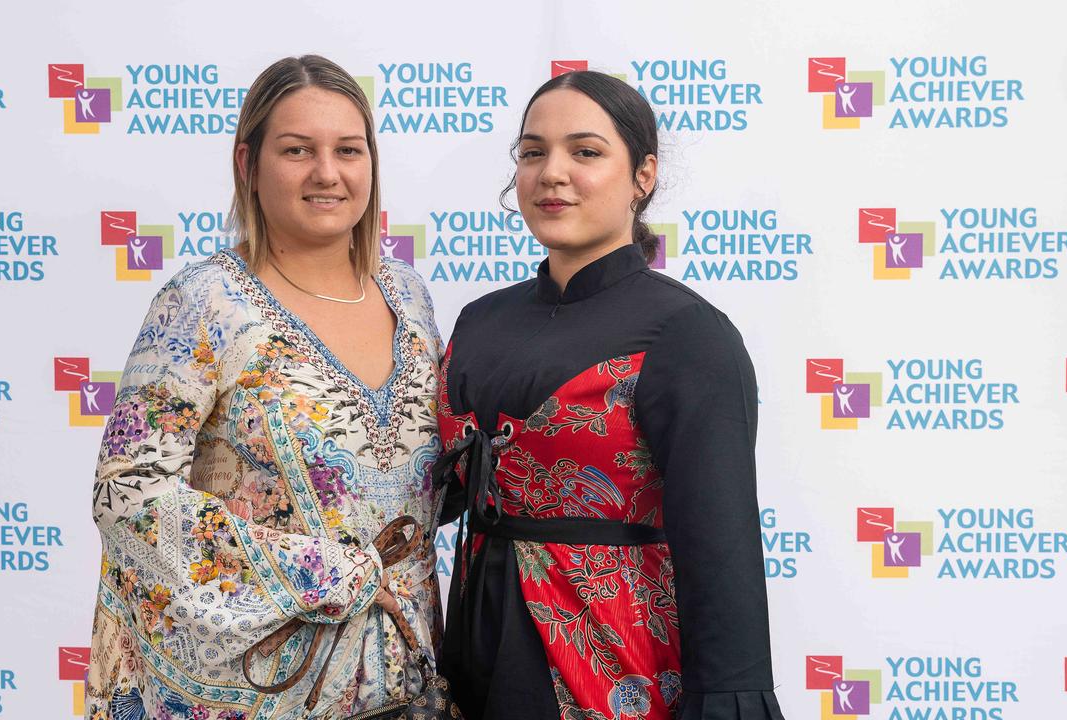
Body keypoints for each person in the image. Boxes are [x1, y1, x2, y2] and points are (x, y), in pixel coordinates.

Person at [86, 55, 445, 720]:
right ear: (247, 164)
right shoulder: (204, 304)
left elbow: (412, 486)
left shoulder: (410, 298)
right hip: (258, 694)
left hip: (406, 691)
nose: (327, 173)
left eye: (348, 150)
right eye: (297, 150)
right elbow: (128, 495)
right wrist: (331, 573)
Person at [432, 71, 785, 720]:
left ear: (643, 175)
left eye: (585, 152)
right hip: (471, 650)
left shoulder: (685, 335)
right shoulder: (479, 322)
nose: (552, 173)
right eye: (533, 152)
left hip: (610, 666)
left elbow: (722, 550)